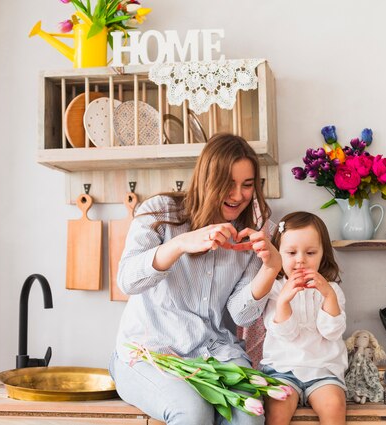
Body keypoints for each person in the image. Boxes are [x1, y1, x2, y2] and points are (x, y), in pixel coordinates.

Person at [109, 133, 282, 425]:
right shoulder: (160, 212)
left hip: (213, 354)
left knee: (250, 417)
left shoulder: (253, 232)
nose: (238, 195)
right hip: (148, 354)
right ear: (206, 178)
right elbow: (127, 281)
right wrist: (179, 245)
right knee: (192, 413)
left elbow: (242, 316)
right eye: (228, 183)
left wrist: (269, 268)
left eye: (247, 185)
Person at [259, 211, 347, 425]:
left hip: (323, 370)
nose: (300, 260)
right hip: (282, 369)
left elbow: (332, 331)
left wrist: (328, 295)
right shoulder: (274, 288)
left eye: (310, 252)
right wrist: (283, 301)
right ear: (278, 254)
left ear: (322, 253)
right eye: (291, 253)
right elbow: (286, 332)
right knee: (276, 411)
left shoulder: (332, 289)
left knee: (334, 405)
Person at [344, 330, 386, 404]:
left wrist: (374, 375)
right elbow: (348, 364)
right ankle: (355, 396)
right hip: (353, 375)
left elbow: (372, 366)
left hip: (365, 375)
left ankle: (364, 396)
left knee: (366, 385)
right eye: (358, 337)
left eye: (365, 337)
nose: (361, 339)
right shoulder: (353, 354)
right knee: (349, 385)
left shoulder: (367, 358)